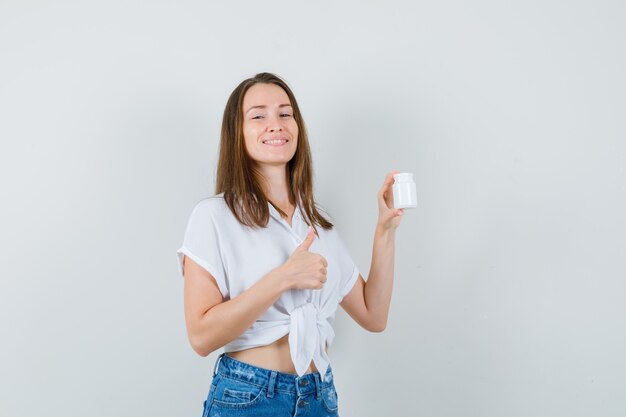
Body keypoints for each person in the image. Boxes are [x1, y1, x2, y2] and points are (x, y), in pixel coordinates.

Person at [176, 72, 403, 416]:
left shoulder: (317, 225)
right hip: (249, 397)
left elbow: (374, 315)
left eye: (285, 113)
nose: (276, 124)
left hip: (319, 397)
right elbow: (201, 337)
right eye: (258, 115)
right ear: (236, 133)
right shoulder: (214, 216)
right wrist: (284, 277)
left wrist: (385, 230)